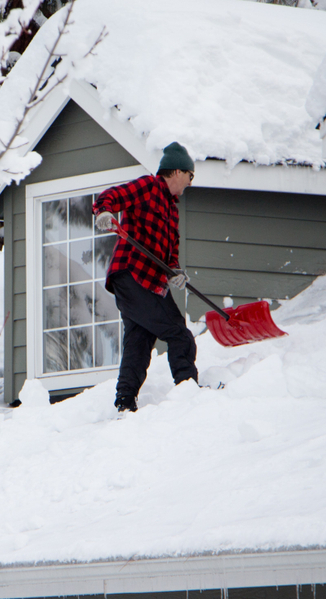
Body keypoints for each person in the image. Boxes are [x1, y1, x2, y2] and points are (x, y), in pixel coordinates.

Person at [92, 142, 198, 413]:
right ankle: (189, 392)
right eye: (190, 175)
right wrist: (105, 211)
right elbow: (114, 195)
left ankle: (124, 403)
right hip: (131, 274)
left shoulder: (172, 210)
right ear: (176, 172)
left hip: (151, 283)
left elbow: (168, 253)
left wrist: (174, 273)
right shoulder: (148, 187)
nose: (190, 182)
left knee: (139, 341)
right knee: (179, 333)